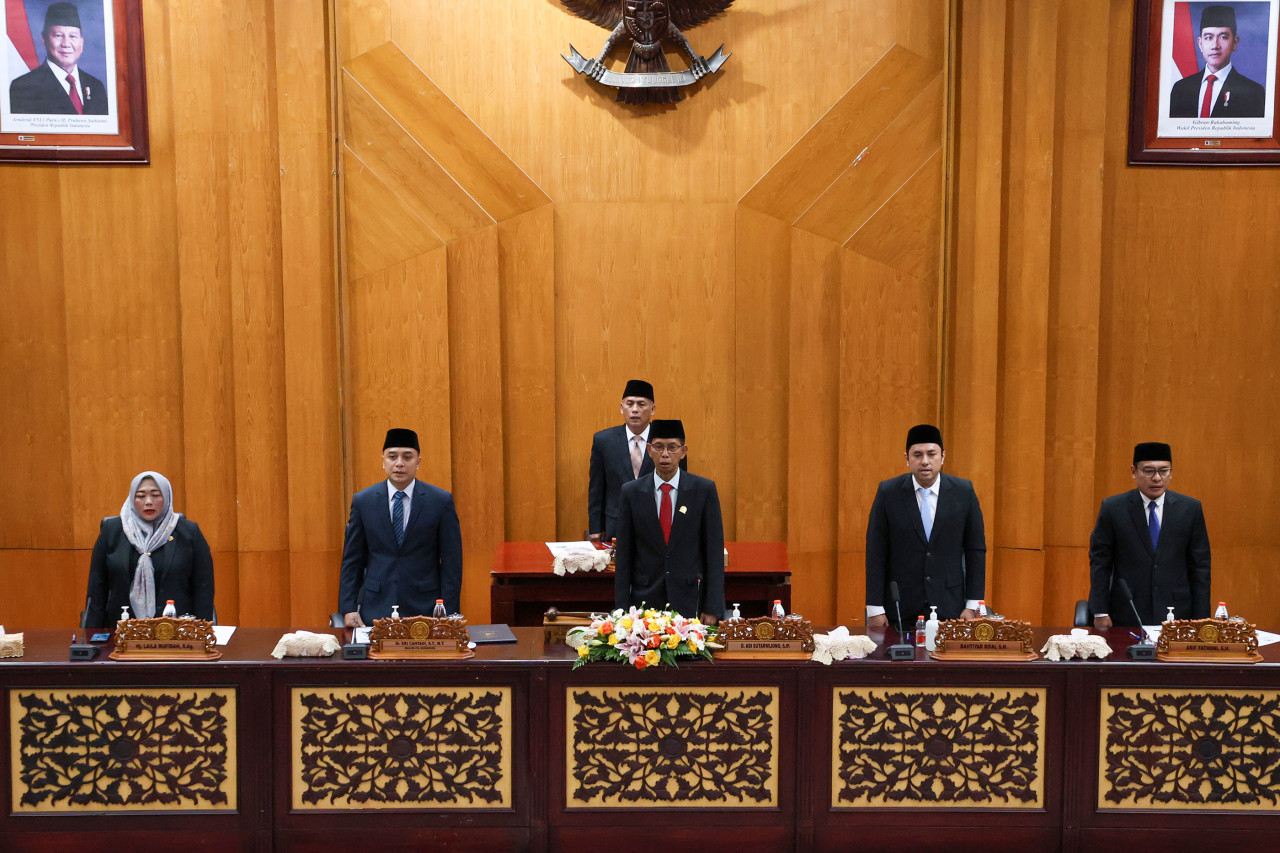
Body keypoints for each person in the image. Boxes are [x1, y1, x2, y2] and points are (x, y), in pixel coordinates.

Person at [865, 424, 986, 630]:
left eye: (932, 454)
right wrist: (875, 608)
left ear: (943, 456)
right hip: (900, 607)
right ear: (907, 459)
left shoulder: (963, 492)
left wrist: (973, 604)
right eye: (917, 455)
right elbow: (876, 552)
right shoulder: (888, 492)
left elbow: (976, 550)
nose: (925, 461)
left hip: (952, 606)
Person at [339, 428, 462, 626]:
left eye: (407, 457)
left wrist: (449, 612)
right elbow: (352, 560)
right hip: (376, 606)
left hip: (425, 607)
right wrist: (349, 607)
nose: (399, 463)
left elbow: (452, 563)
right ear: (383, 461)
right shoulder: (364, 501)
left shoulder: (440, 501)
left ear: (418, 462)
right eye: (392, 456)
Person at [1088, 442, 1211, 628]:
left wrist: (1202, 619)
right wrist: (1100, 611)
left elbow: (1200, 567)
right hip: (1127, 612)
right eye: (1148, 471)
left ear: (1171, 472)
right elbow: (1100, 562)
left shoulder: (1190, 509)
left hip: (1178, 613)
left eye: (1163, 471)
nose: (1157, 478)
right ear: (1134, 471)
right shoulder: (1114, 508)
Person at [614, 419, 724, 623]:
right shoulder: (631, 492)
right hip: (645, 602)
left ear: (683, 451)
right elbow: (624, 558)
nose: (665, 454)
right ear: (649, 450)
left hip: (690, 600)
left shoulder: (703, 490)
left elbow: (714, 553)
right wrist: (621, 610)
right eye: (658, 447)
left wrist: (713, 607)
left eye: (672, 447)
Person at [84, 471, 214, 627]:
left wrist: (203, 632)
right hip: (120, 632)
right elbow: (97, 588)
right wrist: (92, 637)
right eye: (140, 496)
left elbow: (203, 587)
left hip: (177, 634)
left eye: (155, 495)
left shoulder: (189, 532)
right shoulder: (112, 531)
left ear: (166, 497)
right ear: (132, 498)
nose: (148, 502)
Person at [587, 379, 684, 543]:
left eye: (641, 404)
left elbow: (681, 485)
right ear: (621, 407)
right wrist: (596, 528)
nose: (634, 410)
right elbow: (597, 488)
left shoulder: (668, 441)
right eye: (629, 404)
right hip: (616, 524)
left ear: (652, 409)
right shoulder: (603, 440)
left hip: (657, 523)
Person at [8, 2, 109, 116]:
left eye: (73, 36)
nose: (66, 44)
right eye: (58, 36)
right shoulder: (24, 87)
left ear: (82, 41)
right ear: (44, 39)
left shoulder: (96, 87)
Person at [1169, 5, 1266, 119]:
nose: (1215, 46)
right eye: (1209, 37)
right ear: (1200, 43)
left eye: (1223, 37)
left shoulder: (1253, 92)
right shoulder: (1181, 89)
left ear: (1235, 43)